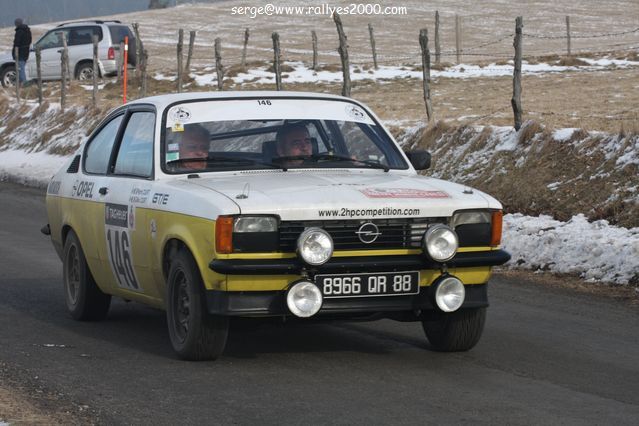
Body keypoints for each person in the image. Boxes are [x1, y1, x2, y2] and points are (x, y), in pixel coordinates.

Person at [12, 18, 32, 85]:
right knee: (21, 68)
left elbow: (16, 43)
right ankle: (21, 83)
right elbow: (30, 40)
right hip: (26, 51)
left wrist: (14, 52)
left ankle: (24, 83)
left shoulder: (19, 31)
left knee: (20, 69)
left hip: (20, 52)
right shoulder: (27, 30)